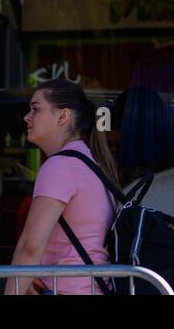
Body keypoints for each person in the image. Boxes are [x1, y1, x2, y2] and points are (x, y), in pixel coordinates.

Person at [7, 79, 118, 295]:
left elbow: (30, 247)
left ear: (63, 116)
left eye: (35, 109)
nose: (26, 117)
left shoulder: (59, 166)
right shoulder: (92, 163)